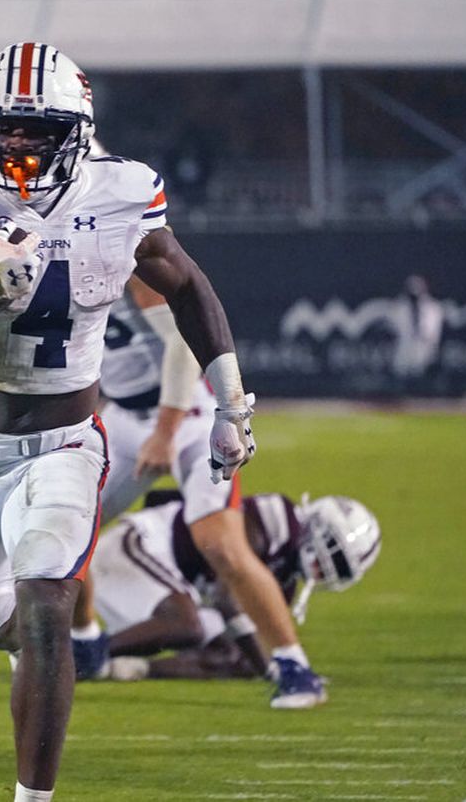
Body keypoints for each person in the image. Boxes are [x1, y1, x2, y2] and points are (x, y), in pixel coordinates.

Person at [0, 41, 256, 801]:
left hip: (65, 444)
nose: (16, 144)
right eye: (3, 128)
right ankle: (43, 659)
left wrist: (231, 400)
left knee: (46, 601)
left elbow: (185, 286)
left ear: (76, 131)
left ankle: (33, 795)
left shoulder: (121, 194)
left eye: (36, 130)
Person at [68, 275, 325, 708]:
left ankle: (294, 665)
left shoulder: (125, 252)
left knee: (220, 544)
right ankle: (85, 641)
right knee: (71, 526)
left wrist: (166, 432)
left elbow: (182, 344)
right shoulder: (55, 250)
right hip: (127, 417)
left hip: (185, 415)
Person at [87, 490, 380, 684]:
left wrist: (265, 665)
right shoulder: (278, 519)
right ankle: (81, 654)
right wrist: (274, 670)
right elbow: (227, 593)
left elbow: (244, 645)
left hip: (165, 583)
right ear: (317, 525)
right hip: (138, 545)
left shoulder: (285, 580)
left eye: (339, 566)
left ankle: (119, 668)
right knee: (188, 624)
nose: (326, 566)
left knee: (234, 657)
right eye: (332, 551)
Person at [391, 274, 444, 394]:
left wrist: (429, 345)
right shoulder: (400, 307)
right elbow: (395, 328)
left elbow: (432, 331)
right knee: (402, 376)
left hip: (424, 347)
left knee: (423, 379)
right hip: (404, 347)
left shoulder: (432, 307)